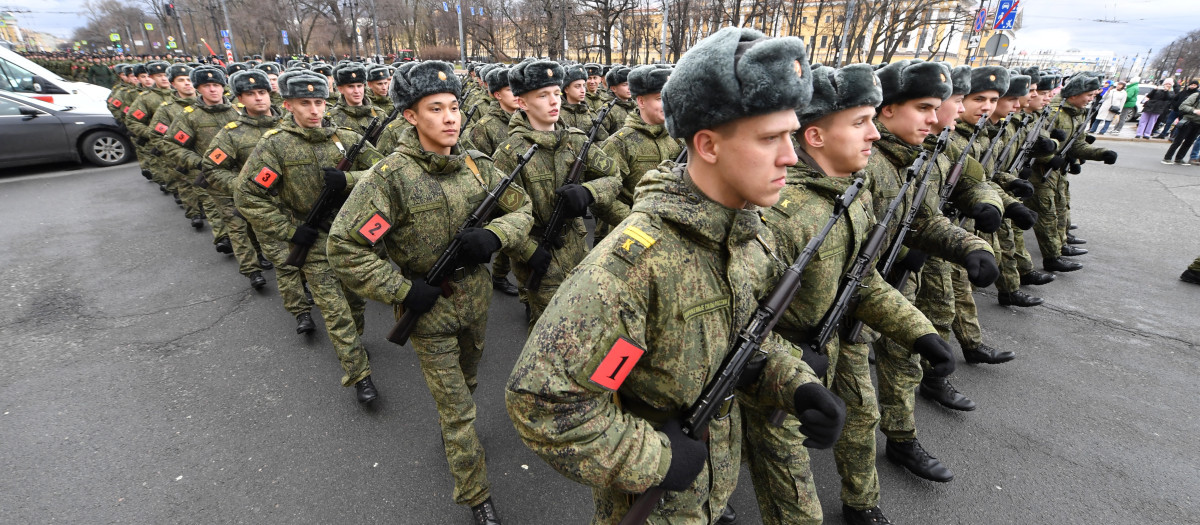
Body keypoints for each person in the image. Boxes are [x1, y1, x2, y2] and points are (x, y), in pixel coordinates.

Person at [505, 27, 845, 525]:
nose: (791, 156)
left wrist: (792, 382)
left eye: (791, 135)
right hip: (652, 506)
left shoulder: (750, 235)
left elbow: (743, 336)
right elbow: (544, 404)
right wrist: (658, 458)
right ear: (707, 144)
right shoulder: (632, 264)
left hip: (712, 488)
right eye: (771, 137)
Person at [749, 62, 957, 525]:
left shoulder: (851, 191)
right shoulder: (778, 212)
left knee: (861, 418)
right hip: (772, 371)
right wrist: (788, 358)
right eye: (860, 122)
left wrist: (920, 333)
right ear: (816, 136)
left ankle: (862, 504)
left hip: (835, 340)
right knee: (789, 487)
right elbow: (733, 318)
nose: (875, 134)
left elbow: (859, 279)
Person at [327, 60, 534, 525]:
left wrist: (496, 236)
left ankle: (456, 438)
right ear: (410, 116)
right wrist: (400, 288)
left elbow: (524, 210)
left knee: (471, 381)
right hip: (429, 314)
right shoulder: (389, 178)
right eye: (435, 108)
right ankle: (476, 494)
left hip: (476, 303)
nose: (450, 118)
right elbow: (344, 247)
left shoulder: (479, 167)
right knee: (459, 411)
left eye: (455, 107)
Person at [235, 70, 385, 403]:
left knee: (356, 303)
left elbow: (387, 171)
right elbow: (248, 196)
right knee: (334, 311)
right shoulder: (275, 145)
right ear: (288, 104)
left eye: (319, 102)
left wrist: (349, 180)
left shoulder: (345, 138)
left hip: (352, 240)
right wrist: (290, 231)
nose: (314, 110)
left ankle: (354, 343)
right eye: (305, 103)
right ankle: (359, 373)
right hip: (312, 241)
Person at [491, 60, 625, 326]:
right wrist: (528, 250)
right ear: (522, 103)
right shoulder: (509, 154)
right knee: (549, 328)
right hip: (538, 254)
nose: (554, 101)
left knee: (584, 321)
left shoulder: (574, 141)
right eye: (543, 95)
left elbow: (614, 176)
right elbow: (498, 216)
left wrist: (588, 192)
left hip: (577, 247)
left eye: (555, 93)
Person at [207, 70, 314, 331]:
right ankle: (301, 312)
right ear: (240, 99)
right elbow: (211, 169)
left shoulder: (295, 125)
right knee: (285, 263)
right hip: (266, 211)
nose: (258, 98)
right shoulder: (232, 133)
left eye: (263, 92)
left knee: (312, 258)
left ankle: (310, 289)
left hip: (303, 208)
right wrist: (245, 186)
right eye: (251, 94)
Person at [597, 64, 682, 242]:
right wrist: (634, 220)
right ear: (641, 101)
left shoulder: (678, 139)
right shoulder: (620, 143)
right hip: (632, 236)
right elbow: (602, 198)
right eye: (660, 98)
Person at [326, 63, 381, 136]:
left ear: (364, 86)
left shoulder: (379, 114)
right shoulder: (331, 118)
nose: (356, 91)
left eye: (359, 86)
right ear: (340, 89)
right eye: (351, 86)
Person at [1162, 88, 1200, 165]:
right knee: (1178, 140)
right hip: (1188, 121)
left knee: (1189, 142)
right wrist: (1194, 111)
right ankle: (1167, 158)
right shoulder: (1196, 96)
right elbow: (1183, 106)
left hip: (1198, 124)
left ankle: (1179, 158)